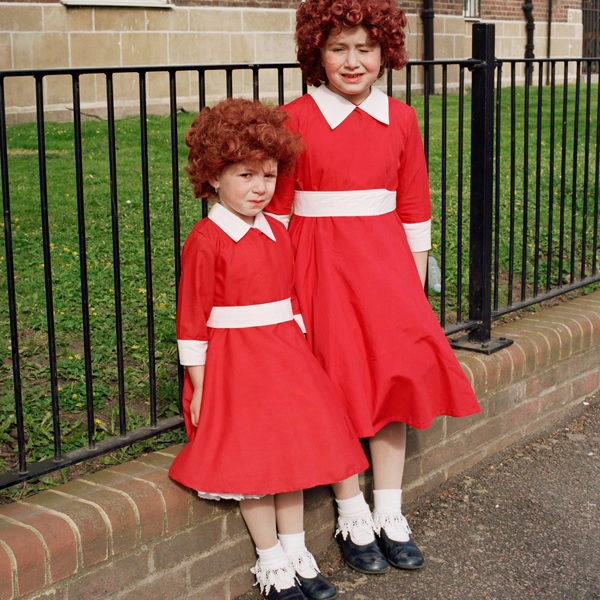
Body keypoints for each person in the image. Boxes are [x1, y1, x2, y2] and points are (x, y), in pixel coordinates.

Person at [266, 0, 481, 576]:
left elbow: (414, 209)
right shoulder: (294, 119)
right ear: (317, 53)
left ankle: (390, 509)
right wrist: (284, 292)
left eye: (365, 48)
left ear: (386, 51)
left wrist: (412, 291)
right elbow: (279, 214)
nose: (353, 61)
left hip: (387, 269)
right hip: (321, 269)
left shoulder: (402, 119)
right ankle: (351, 510)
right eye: (339, 48)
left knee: (392, 380)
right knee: (335, 385)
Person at [168, 97, 369, 600]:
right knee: (253, 460)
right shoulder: (206, 238)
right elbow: (192, 317)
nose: (259, 188)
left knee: (293, 449)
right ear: (214, 177)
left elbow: (294, 296)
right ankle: (271, 559)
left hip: (284, 354)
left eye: (269, 175)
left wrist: (302, 350)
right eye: (244, 175)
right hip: (236, 362)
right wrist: (199, 383)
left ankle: (298, 549)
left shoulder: (277, 231)